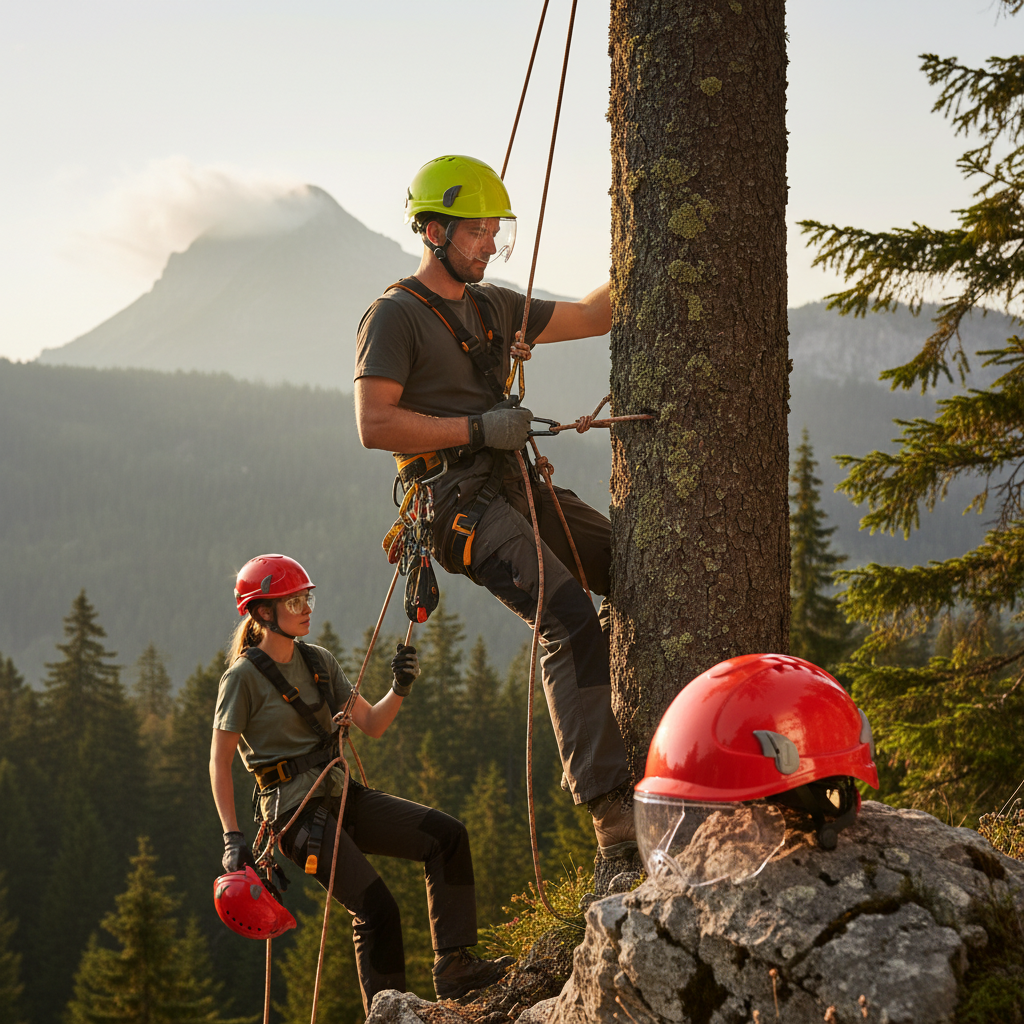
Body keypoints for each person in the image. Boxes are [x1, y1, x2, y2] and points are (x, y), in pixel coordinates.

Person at [354, 154, 635, 857]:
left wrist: (646, 235)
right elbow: (375, 424)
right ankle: (613, 824)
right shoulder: (394, 317)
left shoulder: (495, 306)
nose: (489, 244)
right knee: (566, 617)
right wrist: (477, 428)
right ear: (434, 230)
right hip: (455, 505)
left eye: (495, 232)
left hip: (513, 485)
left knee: (634, 565)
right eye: (478, 232)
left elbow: (596, 316)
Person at [209, 553, 512, 1011]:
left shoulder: (318, 662)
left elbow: (371, 723)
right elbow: (219, 762)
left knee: (445, 837)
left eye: (306, 597)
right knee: (376, 909)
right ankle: (388, 1014)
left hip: (341, 795)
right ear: (263, 613)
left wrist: (400, 687)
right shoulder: (242, 679)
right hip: (296, 816)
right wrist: (233, 838)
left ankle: (455, 966)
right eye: (294, 601)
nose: (307, 607)